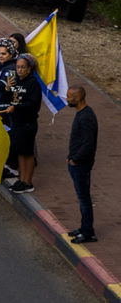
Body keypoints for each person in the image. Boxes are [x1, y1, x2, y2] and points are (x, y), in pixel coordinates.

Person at [3, 53, 43, 193]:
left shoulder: (33, 84)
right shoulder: (15, 81)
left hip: (27, 123)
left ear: (29, 69)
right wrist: (7, 89)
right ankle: (21, 179)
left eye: (22, 67)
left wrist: (16, 108)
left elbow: (33, 104)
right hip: (16, 122)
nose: (19, 70)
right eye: (18, 67)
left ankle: (28, 182)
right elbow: (9, 98)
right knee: (20, 151)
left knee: (28, 153)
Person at [67, 86, 98, 243]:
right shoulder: (82, 114)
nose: (67, 99)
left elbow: (88, 144)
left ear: (78, 98)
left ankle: (87, 232)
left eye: (69, 96)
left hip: (81, 165)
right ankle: (84, 227)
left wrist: (75, 159)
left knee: (84, 199)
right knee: (81, 198)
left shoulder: (86, 117)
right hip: (76, 163)